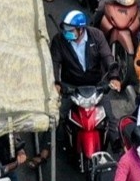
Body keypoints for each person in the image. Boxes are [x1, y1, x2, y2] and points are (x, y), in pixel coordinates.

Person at [51, 10, 121, 141]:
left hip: (95, 86)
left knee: (111, 119)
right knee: (55, 117)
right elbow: (54, 63)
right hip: (71, 87)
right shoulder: (59, 40)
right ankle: (45, 152)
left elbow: (107, 56)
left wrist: (114, 77)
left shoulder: (97, 35)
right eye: (65, 29)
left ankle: (118, 150)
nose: (67, 32)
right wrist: (56, 83)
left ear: (81, 29)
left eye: (70, 30)